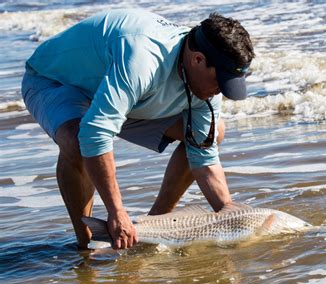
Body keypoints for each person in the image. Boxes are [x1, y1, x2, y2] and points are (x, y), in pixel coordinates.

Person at [21, 9, 255, 250]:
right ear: (197, 59)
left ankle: (151, 227)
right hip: (56, 82)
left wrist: (229, 213)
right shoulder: (142, 60)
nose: (220, 91)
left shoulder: (204, 82)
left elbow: (203, 154)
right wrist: (116, 211)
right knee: (79, 139)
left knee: (213, 133)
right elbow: (95, 132)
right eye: (221, 81)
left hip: (127, 95)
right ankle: (86, 244)